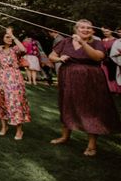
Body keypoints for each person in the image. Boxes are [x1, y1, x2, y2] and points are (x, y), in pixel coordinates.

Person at [48, 19, 121, 156]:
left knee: (90, 108)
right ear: (76, 29)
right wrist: (59, 59)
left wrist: (82, 43)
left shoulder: (96, 42)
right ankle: (65, 136)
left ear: (93, 30)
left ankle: (92, 146)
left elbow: (98, 57)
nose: (85, 30)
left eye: (89, 28)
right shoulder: (66, 41)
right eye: (82, 27)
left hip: (90, 79)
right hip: (68, 78)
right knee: (66, 105)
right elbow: (51, 56)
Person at [0, 28, 31, 140]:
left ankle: (19, 131)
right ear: (1, 38)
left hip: (15, 77)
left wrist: (14, 37)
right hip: (2, 78)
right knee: (2, 101)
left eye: (10, 37)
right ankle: (4, 127)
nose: (9, 38)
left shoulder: (15, 49)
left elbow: (24, 50)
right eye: (7, 37)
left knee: (16, 102)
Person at [100, 26, 121, 94]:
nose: (105, 33)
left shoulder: (116, 40)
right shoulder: (102, 40)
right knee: (105, 74)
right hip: (105, 60)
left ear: (111, 31)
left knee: (113, 74)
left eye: (107, 31)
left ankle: (116, 89)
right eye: (104, 32)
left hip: (113, 60)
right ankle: (109, 89)